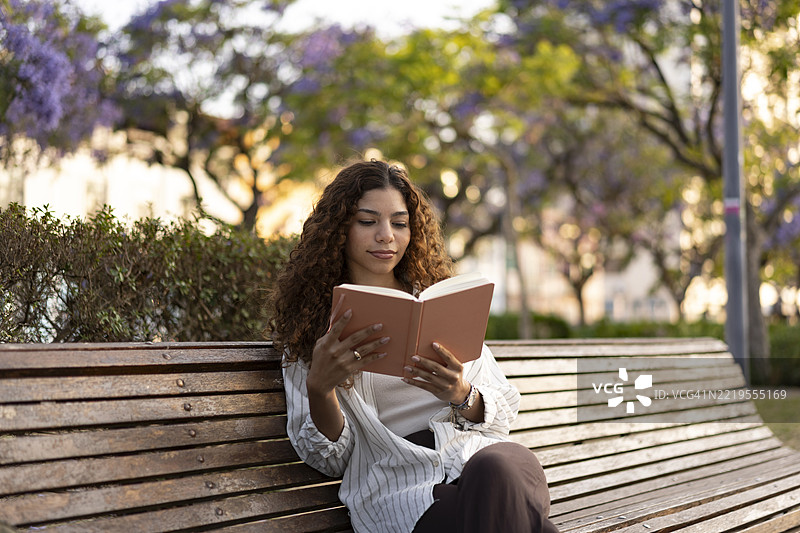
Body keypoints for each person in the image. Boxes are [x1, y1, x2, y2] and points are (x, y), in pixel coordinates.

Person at [267, 159, 558, 533]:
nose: (386, 235)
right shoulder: (313, 332)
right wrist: (321, 389)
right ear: (340, 229)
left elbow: (502, 413)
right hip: (404, 490)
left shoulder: (441, 305)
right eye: (368, 221)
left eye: (399, 223)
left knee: (498, 470)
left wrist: (462, 394)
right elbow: (330, 460)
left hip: (477, 458)